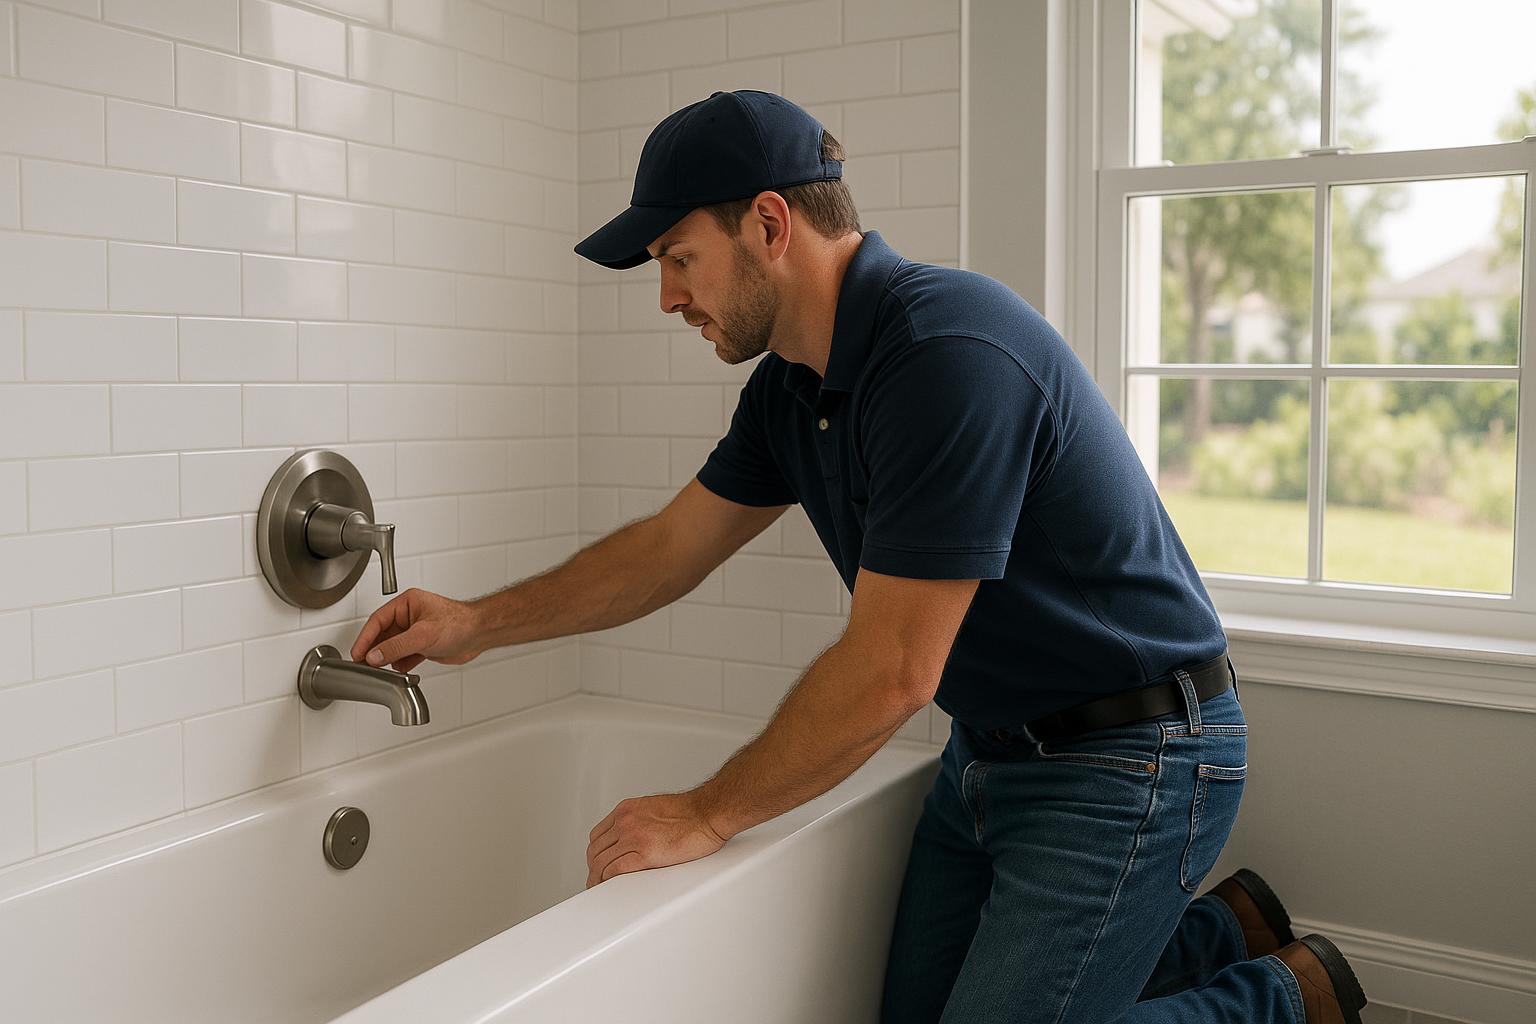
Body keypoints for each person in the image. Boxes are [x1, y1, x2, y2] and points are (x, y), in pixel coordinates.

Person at [350, 90, 1369, 1024]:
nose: (667, 297)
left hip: (1136, 757)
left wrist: (707, 813)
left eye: (676, 256)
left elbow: (894, 669)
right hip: (993, 751)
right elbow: (668, 549)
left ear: (768, 224)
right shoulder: (796, 385)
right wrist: (476, 624)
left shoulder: (943, 354)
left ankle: (1283, 992)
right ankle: (1220, 929)